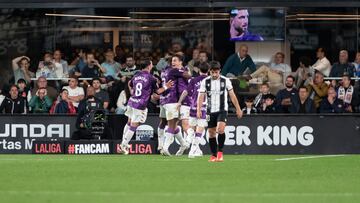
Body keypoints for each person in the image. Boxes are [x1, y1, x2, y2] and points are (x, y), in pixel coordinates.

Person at [118, 58, 174, 154]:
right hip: (140, 104)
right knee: (135, 124)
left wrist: (132, 91)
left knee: (129, 122)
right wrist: (166, 87)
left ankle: (124, 143)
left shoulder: (136, 75)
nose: (152, 65)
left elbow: (129, 83)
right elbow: (157, 92)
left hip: (132, 101)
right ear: (149, 66)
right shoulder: (151, 78)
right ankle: (123, 145)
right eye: (151, 64)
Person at [198, 61, 243, 162]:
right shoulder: (205, 81)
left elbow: (232, 95)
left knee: (220, 129)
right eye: (212, 72)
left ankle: (220, 153)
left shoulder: (226, 81)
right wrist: (198, 109)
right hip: (210, 110)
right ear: (210, 71)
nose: (214, 74)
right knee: (211, 133)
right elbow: (201, 96)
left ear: (220, 71)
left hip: (222, 109)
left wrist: (238, 109)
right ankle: (213, 155)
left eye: (216, 72)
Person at [160, 55, 192, 156]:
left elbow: (189, 78)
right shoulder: (174, 71)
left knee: (175, 125)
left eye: (175, 61)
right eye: (172, 61)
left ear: (180, 62)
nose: (172, 62)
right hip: (173, 101)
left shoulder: (181, 70)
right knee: (172, 124)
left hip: (182, 101)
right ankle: (169, 146)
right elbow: (189, 76)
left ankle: (183, 144)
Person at [177, 62, 210, 158]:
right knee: (200, 130)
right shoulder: (210, 81)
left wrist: (179, 101)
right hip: (204, 108)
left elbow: (186, 92)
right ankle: (192, 150)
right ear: (208, 71)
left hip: (193, 107)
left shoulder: (194, 80)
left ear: (199, 70)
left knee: (191, 129)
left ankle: (189, 142)